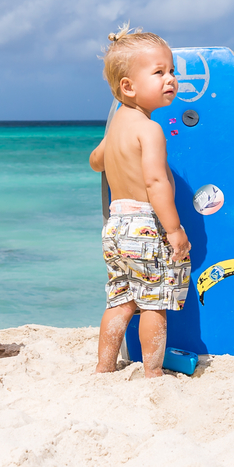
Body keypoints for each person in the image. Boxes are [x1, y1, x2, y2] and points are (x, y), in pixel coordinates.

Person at [89, 26, 192, 378]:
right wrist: (174, 228)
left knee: (121, 299)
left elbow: (96, 160)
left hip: (116, 225)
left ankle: (104, 367)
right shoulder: (150, 129)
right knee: (155, 303)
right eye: (159, 72)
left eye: (172, 71)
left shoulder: (117, 124)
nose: (171, 80)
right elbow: (154, 180)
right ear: (128, 87)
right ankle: (153, 373)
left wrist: (113, 151)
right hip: (145, 225)